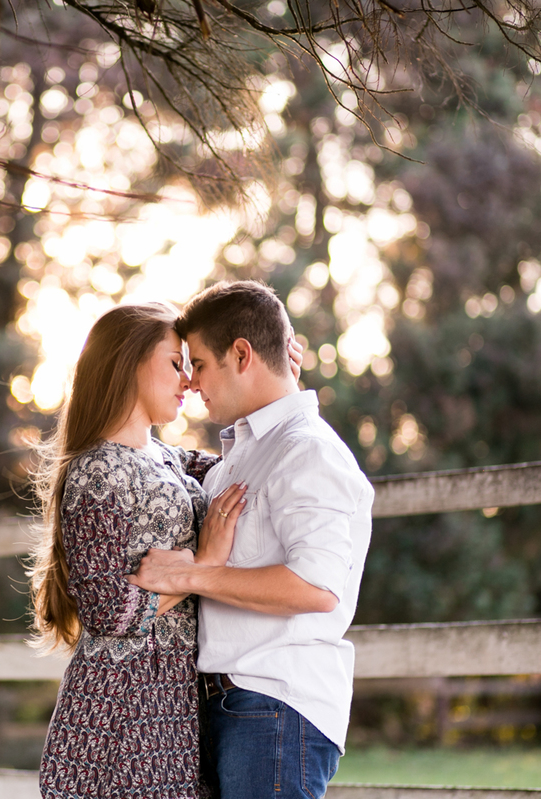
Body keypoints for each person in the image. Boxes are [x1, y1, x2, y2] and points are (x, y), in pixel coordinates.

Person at [129, 281, 374, 799]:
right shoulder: (240, 456)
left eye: (199, 364)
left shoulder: (308, 451)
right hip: (230, 707)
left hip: (275, 706)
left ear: (242, 355)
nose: (192, 382)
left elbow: (315, 588)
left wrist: (194, 574)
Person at [30, 301, 248, 799]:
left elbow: (243, 459)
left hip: (174, 694)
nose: (188, 381)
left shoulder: (166, 457)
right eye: (175, 364)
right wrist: (204, 567)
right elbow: (109, 610)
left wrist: (281, 378)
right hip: (125, 704)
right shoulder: (97, 472)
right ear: (129, 362)